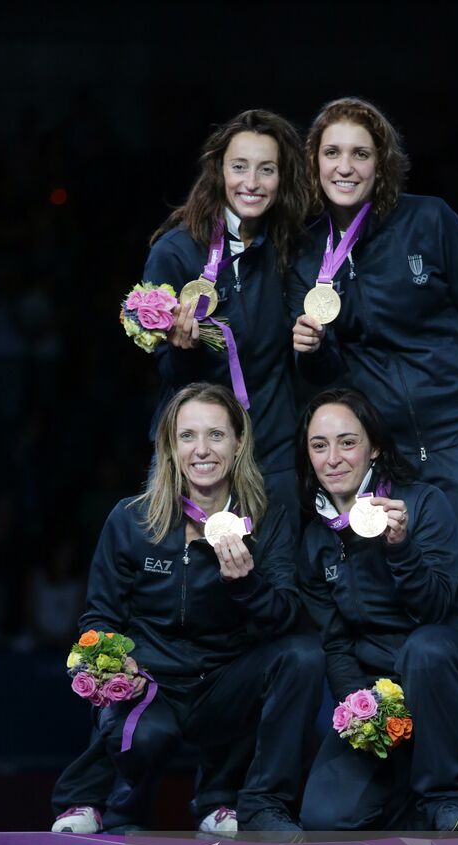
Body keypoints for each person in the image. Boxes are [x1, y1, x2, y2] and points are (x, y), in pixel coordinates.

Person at [289, 97, 458, 832]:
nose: (345, 166)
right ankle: (433, 791)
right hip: (393, 463)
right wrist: (314, 355)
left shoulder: (430, 222)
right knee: (402, 615)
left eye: (359, 154)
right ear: (314, 167)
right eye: (331, 154)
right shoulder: (311, 252)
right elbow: (334, 380)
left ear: (382, 165)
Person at [51, 383, 324, 834]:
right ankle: (106, 805)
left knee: (303, 656)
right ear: (170, 447)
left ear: (238, 444)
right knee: (145, 734)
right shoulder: (131, 518)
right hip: (151, 682)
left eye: (216, 435)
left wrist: (246, 587)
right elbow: (98, 618)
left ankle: (246, 802)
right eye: (187, 436)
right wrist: (118, 664)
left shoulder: (267, 516)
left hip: (223, 682)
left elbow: (287, 615)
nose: (202, 450)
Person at [297, 388, 458, 831]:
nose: (334, 458)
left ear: (374, 447)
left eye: (348, 441)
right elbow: (337, 644)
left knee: (426, 648)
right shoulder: (315, 540)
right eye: (319, 446)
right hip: (389, 692)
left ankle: (451, 802)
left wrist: (401, 549)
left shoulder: (422, 504)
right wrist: (362, 707)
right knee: (324, 817)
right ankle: (408, 795)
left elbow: (436, 608)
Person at [145, 108, 309, 536]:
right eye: (239, 167)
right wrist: (183, 350)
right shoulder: (176, 252)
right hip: (196, 456)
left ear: (282, 177)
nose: (251, 183)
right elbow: (165, 370)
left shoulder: (292, 249)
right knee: (188, 590)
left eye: (266, 169)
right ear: (219, 171)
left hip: (271, 450)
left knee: (276, 587)